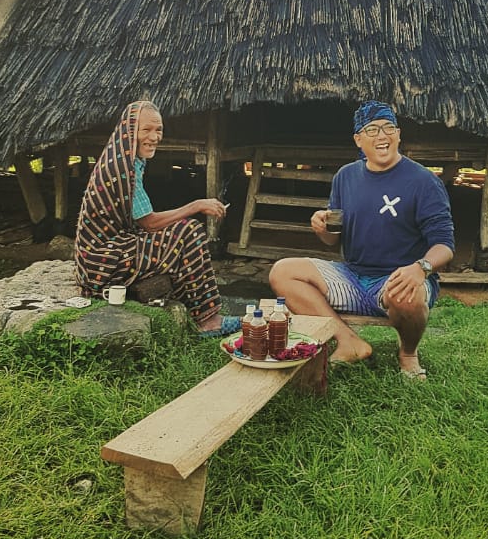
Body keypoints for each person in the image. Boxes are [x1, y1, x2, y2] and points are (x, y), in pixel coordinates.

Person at [269, 101, 455, 379]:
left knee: (408, 294)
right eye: (372, 130)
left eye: (388, 128)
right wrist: (322, 229)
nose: (382, 135)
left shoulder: (423, 181)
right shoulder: (345, 177)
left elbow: (445, 245)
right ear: (358, 139)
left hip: (397, 278)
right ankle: (349, 342)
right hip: (352, 277)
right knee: (283, 272)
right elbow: (333, 240)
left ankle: (408, 354)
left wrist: (421, 268)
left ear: (398, 135)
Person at [74, 99, 241, 337]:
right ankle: (208, 320)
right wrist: (196, 205)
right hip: (104, 260)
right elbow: (149, 223)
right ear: (129, 131)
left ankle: (201, 312)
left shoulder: (126, 160)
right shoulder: (122, 170)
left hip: (112, 249)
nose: (154, 137)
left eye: (158, 130)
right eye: (146, 130)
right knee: (189, 231)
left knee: (179, 234)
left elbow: (140, 221)